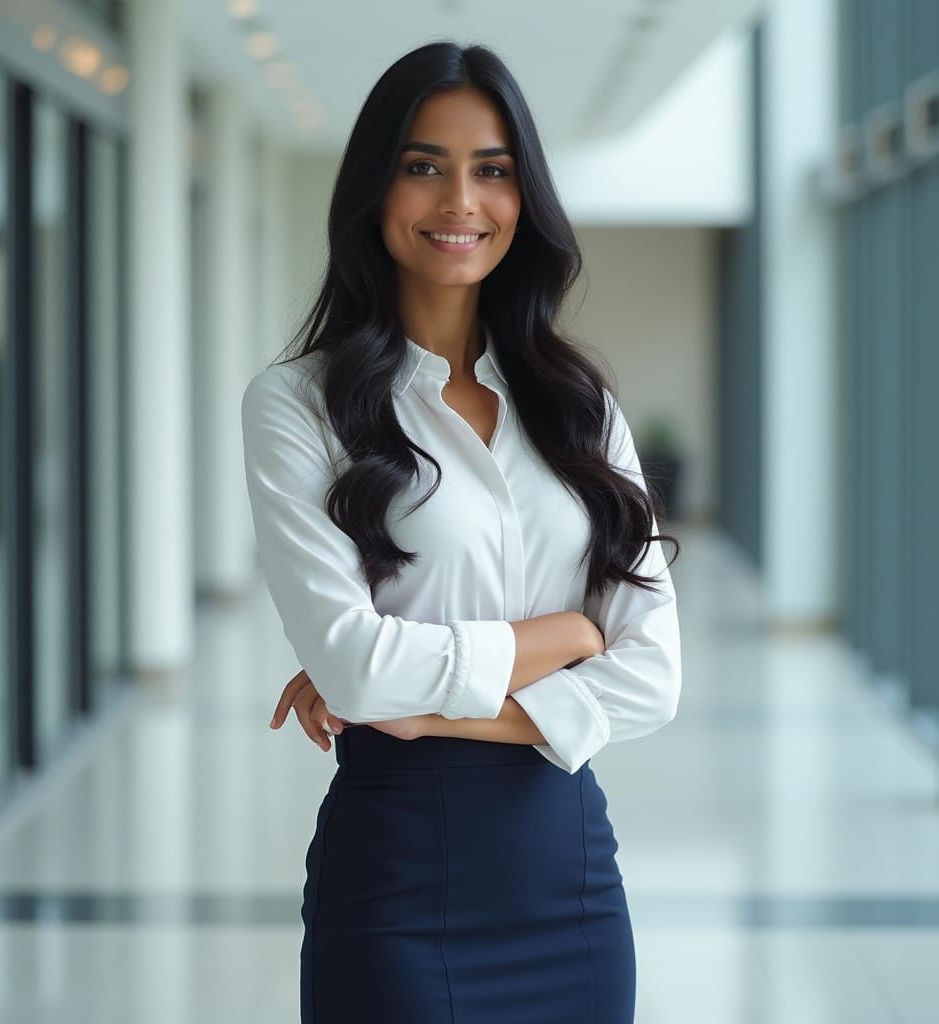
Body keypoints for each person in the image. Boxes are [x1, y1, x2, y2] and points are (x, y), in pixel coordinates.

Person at [240, 40, 683, 1024]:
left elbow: (653, 674)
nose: (459, 203)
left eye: (491, 170)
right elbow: (355, 671)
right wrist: (569, 637)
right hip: (397, 885)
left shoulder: (578, 404)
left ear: (524, 197)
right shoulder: (295, 406)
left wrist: (420, 703)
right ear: (373, 187)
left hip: (569, 881)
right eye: (422, 166)